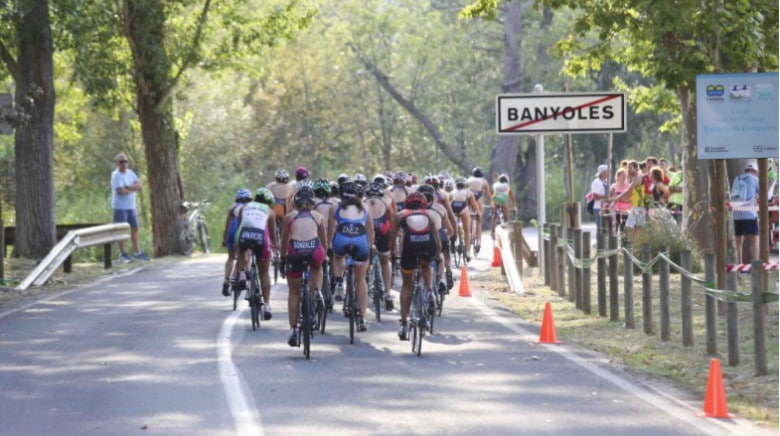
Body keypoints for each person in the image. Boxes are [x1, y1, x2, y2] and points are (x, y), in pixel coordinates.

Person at [389, 192, 441, 341]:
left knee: (406, 285)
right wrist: (436, 255)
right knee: (425, 265)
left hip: (409, 249)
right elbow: (437, 241)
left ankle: (403, 324)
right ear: (423, 204)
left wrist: (392, 255)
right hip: (428, 247)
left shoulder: (400, 215)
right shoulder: (429, 215)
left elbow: (393, 240)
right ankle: (430, 292)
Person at [281, 186, 328, 347]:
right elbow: (324, 242)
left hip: (295, 252)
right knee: (317, 266)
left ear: (296, 203)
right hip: (314, 250)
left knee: (294, 291)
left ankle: (293, 329)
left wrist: (282, 258)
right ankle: (317, 292)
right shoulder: (318, 216)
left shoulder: (289, 217)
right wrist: (325, 256)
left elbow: (284, 241)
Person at [328, 181, 374, 332]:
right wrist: (370, 246)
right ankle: (362, 317)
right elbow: (370, 231)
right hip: (361, 240)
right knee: (360, 280)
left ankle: (339, 281)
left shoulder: (335, 206)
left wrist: (329, 246)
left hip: (341, 238)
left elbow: (331, 230)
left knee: (338, 256)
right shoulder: (365, 206)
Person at [234, 188, 277, 321]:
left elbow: (241, 225)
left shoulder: (244, 207)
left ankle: (242, 272)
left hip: (244, 235)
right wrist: (275, 245)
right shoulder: (270, 211)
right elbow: (271, 233)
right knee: (264, 272)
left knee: (242, 248)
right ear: (269, 202)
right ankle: (267, 305)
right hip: (261, 240)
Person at [110, 152, 149, 262]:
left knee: (135, 228)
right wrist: (133, 188)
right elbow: (120, 191)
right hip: (120, 207)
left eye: (125, 161)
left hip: (131, 206)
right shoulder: (116, 175)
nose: (124, 164)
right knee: (121, 230)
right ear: (117, 163)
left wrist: (129, 187)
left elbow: (140, 185)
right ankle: (122, 254)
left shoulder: (130, 173)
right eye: (121, 162)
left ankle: (137, 252)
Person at [364, 182, 395, 310]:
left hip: (367, 232)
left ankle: (364, 284)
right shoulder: (385, 202)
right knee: (385, 262)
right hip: (383, 231)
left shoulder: (363, 202)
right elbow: (391, 220)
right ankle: (388, 293)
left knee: (364, 261)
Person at [221, 188, 252, 296]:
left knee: (230, 257)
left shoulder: (232, 208)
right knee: (247, 251)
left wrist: (224, 241)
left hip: (232, 230)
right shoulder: (250, 207)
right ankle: (245, 273)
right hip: (243, 230)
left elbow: (227, 226)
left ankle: (226, 280)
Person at [732, 162, 760, 264]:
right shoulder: (755, 180)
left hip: (736, 214)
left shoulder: (737, 179)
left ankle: (739, 265)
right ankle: (756, 264)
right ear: (754, 171)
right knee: (754, 240)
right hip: (749, 214)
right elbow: (764, 196)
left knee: (738, 241)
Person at [450, 176, 482, 261]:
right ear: (465, 185)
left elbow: (449, 204)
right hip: (463, 208)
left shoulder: (453, 192)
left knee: (453, 224)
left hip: (453, 207)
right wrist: (478, 213)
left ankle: (453, 238)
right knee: (467, 231)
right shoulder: (468, 191)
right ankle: (468, 253)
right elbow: (474, 204)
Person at [466, 167, 490, 254]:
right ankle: (478, 242)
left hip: (470, 197)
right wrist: (491, 203)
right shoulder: (483, 180)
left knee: (468, 218)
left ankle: (468, 235)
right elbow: (488, 194)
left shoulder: (469, 180)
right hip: (479, 197)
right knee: (479, 220)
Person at [490, 173, 516, 239]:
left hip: (495, 199)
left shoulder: (495, 184)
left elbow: (492, 193)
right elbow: (512, 198)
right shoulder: (507, 186)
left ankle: (492, 231)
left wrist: (492, 203)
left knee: (495, 215)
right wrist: (514, 206)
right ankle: (506, 229)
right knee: (506, 217)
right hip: (503, 200)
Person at [609, 168, 632, 232]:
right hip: (616, 210)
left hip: (627, 211)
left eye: (625, 175)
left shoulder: (629, 186)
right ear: (618, 176)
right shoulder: (613, 186)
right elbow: (610, 198)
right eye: (623, 175)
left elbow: (632, 198)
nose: (624, 177)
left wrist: (623, 199)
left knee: (625, 227)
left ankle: (624, 241)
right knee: (616, 226)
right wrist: (619, 198)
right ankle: (615, 240)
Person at [590, 164, 609, 236]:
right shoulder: (596, 182)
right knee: (600, 228)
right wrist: (606, 197)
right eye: (607, 172)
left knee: (607, 228)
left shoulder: (607, 181)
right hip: (598, 208)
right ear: (603, 173)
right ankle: (600, 244)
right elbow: (595, 196)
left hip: (607, 207)